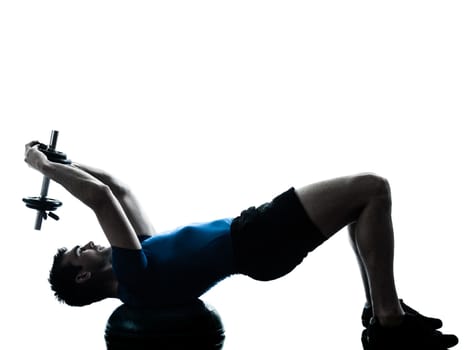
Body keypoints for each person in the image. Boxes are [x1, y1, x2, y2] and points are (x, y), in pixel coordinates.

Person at [24, 141, 458, 349]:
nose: (86, 243)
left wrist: (63, 162)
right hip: (256, 239)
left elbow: (117, 190)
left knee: (363, 202)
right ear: (84, 275)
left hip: (254, 235)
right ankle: (388, 319)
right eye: (78, 252)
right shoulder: (133, 280)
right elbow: (98, 198)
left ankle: (383, 313)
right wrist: (43, 166)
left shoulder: (144, 260)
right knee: (372, 188)